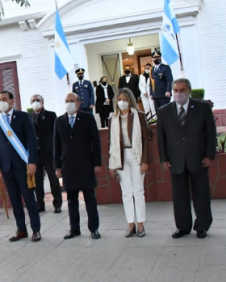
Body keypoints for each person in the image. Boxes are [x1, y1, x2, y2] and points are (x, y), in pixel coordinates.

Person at [157, 78, 217, 239]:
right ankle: (183, 226)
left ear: (188, 91)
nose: (178, 93)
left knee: (201, 194)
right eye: (175, 90)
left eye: (182, 90)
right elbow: (161, 137)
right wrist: (164, 158)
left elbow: (211, 133)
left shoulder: (202, 108)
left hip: (198, 158)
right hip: (175, 160)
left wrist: (209, 155)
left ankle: (202, 226)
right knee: (179, 196)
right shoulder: (164, 111)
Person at [0, 90, 42, 242]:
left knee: (29, 199)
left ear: (12, 101)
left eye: (5, 99)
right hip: (6, 167)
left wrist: (32, 161)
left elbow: (32, 140)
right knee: (14, 200)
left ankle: (36, 230)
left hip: (23, 165)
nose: (2, 102)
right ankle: (21, 229)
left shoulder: (23, 117)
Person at [54, 92, 103, 240]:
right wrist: (57, 167)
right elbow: (56, 144)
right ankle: (74, 229)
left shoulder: (87, 118)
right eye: (67, 100)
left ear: (79, 103)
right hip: (68, 166)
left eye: (72, 100)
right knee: (71, 199)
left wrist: (97, 163)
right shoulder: (59, 121)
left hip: (86, 164)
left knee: (90, 198)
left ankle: (94, 228)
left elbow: (95, 142)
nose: (69, 103)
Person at [108, 88, 151, 237]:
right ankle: (130, 224)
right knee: (126, 193)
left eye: (125, 100)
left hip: (136, 155)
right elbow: (111, 143)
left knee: (138, 191)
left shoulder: (139, 116)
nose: (122, 102)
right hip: (120, 157)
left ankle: (140, 224)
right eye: (119, 99)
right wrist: (111, 165)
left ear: (130, 100)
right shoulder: (113, 118)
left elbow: (146, 140)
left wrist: (145, 161)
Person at [30, 94, 62, 213]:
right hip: (36, 154)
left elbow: (56, 133)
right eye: (33, 101)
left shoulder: (51, 115)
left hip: (49, 152)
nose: (35, 102)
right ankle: (40, 204)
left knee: (53, 179)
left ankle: (57, 203)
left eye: (38, 100)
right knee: (37, 181)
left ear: (42, 103)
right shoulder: (29, 117)